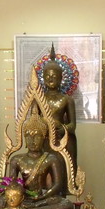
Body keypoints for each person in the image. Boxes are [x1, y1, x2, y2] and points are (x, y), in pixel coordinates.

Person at [7, 112, 64, 203]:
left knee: (65, 204)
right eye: (28, 137)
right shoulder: (16, 160)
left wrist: (43, 197)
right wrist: (19, 193)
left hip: (45, 198)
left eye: (37, 137)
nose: (32, 141)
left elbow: (58, 185)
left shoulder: (51, 159)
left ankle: (36, 206)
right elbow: (12, 184)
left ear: (44, 138)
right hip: (23, 199)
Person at [42, 45, 77, 188]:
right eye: (47, 75)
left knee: (61, 175)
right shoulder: (39, 99)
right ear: (43, 77)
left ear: (61, 78)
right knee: (45, 177)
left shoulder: (67, 99)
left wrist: (61, 129)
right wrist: (43, 128)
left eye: (54, 76)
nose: (51, 78)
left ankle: (61, 195)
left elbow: (72, 125)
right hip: (43, 142)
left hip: (61, 141)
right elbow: (33, 122)